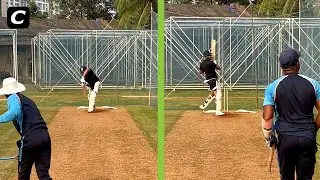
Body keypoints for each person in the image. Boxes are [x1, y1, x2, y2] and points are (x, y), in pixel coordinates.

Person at [262, 47, 320, 180]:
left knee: (286, 176)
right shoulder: (313, 84)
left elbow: (267, 116)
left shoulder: (273, 87)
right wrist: (313, 129)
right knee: (305, 177)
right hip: (307, 137)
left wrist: (269, 138)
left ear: (281, 66)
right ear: (298, 64)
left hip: (285, 138)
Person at [0, 77, 52, 180]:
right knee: (43, 175)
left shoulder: (12, 97)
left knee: (23, 174)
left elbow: (15, 112)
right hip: (45, 136)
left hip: (31, 138)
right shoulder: (26, 100)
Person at [199, 50, 224, 115]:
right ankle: (218, 111)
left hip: (208, 80)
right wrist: (214, 63)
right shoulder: (211, 63)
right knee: (218, 95)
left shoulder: (202, 63)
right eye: (209, 55)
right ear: (206, 56)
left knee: (212, 93)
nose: (210, 56)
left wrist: (206, 69)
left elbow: (200, 72)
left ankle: (203, 106)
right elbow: (219, 68)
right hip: (213, 79)